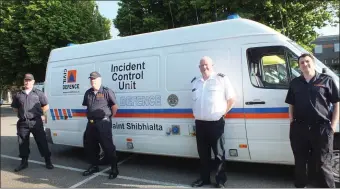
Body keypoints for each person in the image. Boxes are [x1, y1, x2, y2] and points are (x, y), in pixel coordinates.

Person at [285, 53, 339, 188]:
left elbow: (337, 103)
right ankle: (301, 186)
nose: (305, 64)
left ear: (313, 63)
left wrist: (333, 126)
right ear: (299, 66)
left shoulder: (327, 80)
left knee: (323, 163)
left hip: (321, 128)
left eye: (307, 61)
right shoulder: (295, 83)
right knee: (300, 162)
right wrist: (292, 121)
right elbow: (291, 104)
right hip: (299, 128)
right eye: (302, 62)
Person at [190, 56, 236, 188]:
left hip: (216, 123)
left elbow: (232, 99)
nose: (204, 67)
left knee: (219, 154)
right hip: (200, 123)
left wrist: (223, 113)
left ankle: (220, 181)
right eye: (201, 65)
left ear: (212, 65)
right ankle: (204, 179)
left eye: (206, 64)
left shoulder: (220, 79)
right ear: (199, 68)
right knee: (203, 154)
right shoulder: (195, 82)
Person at [11, 73, 54, 172]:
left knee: (42, 141)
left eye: (29, 80)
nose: (27, 82)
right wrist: (22, 115)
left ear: (33, 82)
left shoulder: (38, 93)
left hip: (36, 122)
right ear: (24, 81)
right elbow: (15, 108)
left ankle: (48, 161)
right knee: (22, 143)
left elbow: (46, 106)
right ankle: (24, 162)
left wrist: (42, 115)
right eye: (26, 80)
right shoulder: (18, 94)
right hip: (23, 123)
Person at [82, 71, 119, 179]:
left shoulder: (106, 91)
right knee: (91, 146)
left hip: (103, 123)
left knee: (108, 146)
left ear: (99, 80)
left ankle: (114, 168)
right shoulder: (88, 93)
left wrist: (108, 118)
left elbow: (114, 107)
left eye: (94, 79)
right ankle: (94, 166)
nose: (92, 81)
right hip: (91, 124)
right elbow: (87, 106)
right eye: (91, 79)